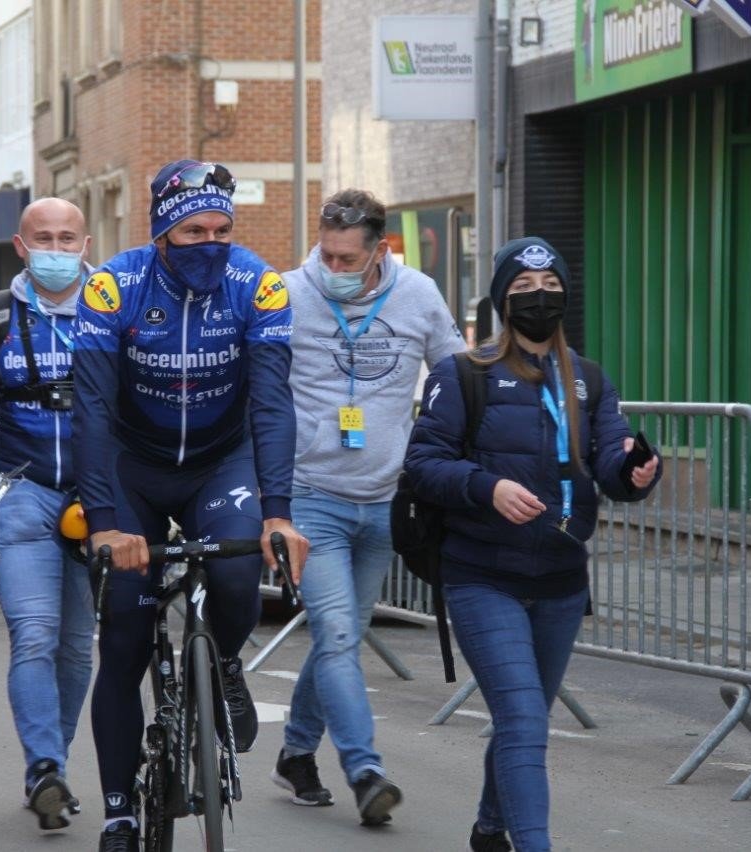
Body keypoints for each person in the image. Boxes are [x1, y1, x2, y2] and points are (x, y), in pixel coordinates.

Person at [72, 158, 309, 852]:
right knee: (122, 638)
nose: (210, 243)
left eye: (222, 230)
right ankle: (119, 811)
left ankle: (225, 664)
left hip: (219, 463)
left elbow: (272, 402)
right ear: (161, 233)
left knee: (237, 576)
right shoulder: (114, 286)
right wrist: (105, 522)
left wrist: (277, 511)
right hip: (131, 467)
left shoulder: (257, 285)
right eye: (193, 231)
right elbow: (88, 409)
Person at [402, 237, 661, 852]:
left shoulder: (590, 380)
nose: (538, 301)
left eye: (550, 291)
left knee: (526, 722)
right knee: (521, 720)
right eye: (522, 291)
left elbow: (609, 465)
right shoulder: (464, 374)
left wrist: (635, 474)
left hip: (561, 583)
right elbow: (422, 464)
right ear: (500, 302)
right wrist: (487, 487)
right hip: (482, 575)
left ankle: (492, 830)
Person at [271, 189, 465, 826]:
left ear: (380, 250)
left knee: (343, 634)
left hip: (385, 499)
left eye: (348, 259)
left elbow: (457, 379)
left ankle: (296, 752)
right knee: (337, 634)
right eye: (326, 253)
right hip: (310, 498)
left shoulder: (419, 295)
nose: (334, 267)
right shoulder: (288, 292)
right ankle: (365, 769)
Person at [0, 197, 95, 831]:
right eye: (44, 239)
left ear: (85, 244)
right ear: (21, 246)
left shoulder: (114, 312)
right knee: (34, 633)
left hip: (95, 498)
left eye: (68, 238)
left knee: (78, 648)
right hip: (20, 491)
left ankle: (52, 766)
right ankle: (44, 767)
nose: (57, 249)